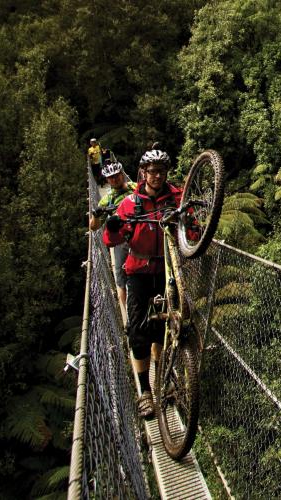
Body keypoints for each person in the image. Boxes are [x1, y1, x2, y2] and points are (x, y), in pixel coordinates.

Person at [103, 148, 181, 419]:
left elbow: (191, 227)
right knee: (137, 331)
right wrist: (113, 228)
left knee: (162, 329)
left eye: (161, 171)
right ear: (143, 173)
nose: (157, 175)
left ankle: (162, 381)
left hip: (167, 271)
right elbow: (110, 241)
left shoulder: (176, 197)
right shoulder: (129, 204)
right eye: (152, 171)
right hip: (138, 271)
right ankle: (145, 391)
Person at [90, 161, 137, 310]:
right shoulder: (106, 200)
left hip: (140, 232)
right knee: (120, 278)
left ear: (122, 174)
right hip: (121, 240)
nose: (115, 179)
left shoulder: (135, 188)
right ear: (107, 180)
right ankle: (127, 314)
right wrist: (97, 215)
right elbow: (93, 227)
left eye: (117, 175)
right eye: (111, 177)